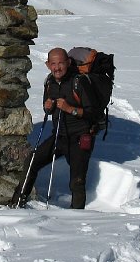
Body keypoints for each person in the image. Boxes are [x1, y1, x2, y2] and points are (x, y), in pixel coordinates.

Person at [10, 47, 97, 209]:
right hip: (59, 135)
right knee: (32, 162)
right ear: (47, 64)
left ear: (68, 63)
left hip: (80, 137)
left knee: (77, 181)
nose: (57, 67)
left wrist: (70, 109)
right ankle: (16, 203)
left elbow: (93, 113)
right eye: (53, 64)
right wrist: (48, 107)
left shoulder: (79, 82)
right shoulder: (50, 82)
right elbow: (48, 109)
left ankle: (77, 219)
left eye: (61, 63)